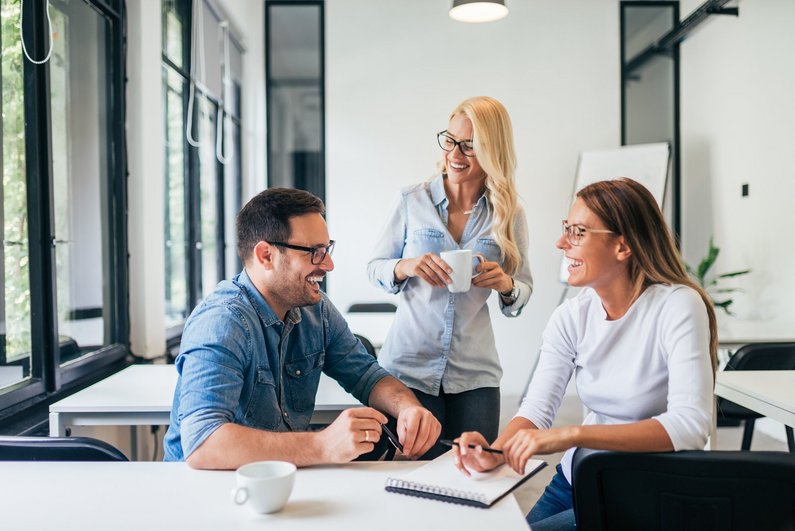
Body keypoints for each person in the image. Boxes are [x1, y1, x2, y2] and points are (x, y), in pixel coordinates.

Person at [453, 178, 717, 530]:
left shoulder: (678, 305)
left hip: (650, 486)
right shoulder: (571, 317)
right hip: (579, 478)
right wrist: (495, 453)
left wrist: (574, 435)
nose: (561, 243)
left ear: (622, 246)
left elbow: (690, 426)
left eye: (578, 232)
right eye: (566, 229)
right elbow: (536, 410)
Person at [164, 188, 441, 469]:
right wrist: (323, 445)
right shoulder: (222, 323)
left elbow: (366, 375)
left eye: (327, 249)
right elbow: (203, 444)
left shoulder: (316, 311)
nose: (329, 265)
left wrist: (408, 407)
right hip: (206, 492)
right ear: (266, 256)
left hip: (280, 482)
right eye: (314, 253)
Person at [368, 96, 533, 458]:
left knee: (473, 472)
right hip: (409, 368)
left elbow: (524, 289)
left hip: (475, 375)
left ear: (492, 151)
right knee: (411, 474)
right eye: (450, 140)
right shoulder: (412, 200)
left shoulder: (508, 212)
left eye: (469, 146)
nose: (455, 153)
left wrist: (505, 285)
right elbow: (375, 267)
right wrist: (405, 267)